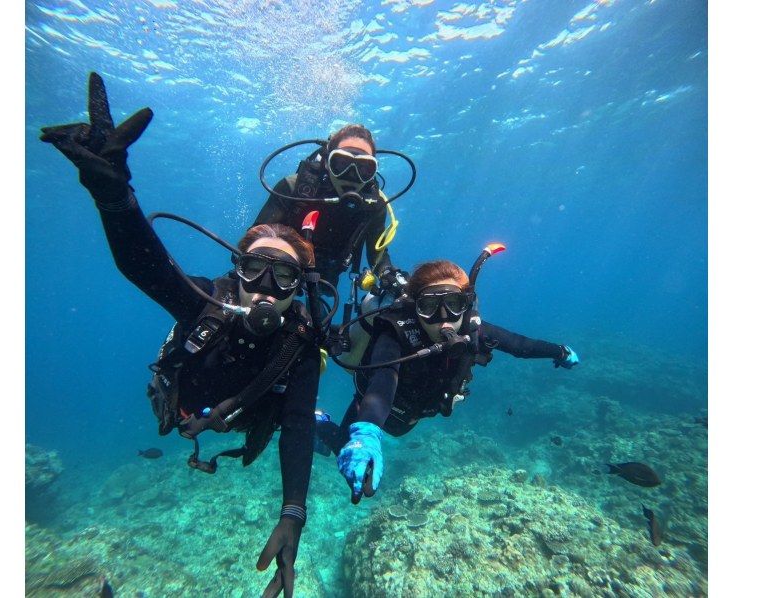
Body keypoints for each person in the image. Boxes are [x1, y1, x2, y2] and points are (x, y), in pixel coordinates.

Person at [40, 72, 319, 598]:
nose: (266, 287)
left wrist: (294, 514)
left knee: (314, 421)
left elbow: (298, 422)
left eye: (283, 277)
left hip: (243, 421)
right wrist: (114, 197)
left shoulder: (301, 340)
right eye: (255, 268)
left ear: (298, 288)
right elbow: (144, 267)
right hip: (184, 406)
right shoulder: (205, 300)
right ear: (236, 269)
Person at [316, 254, 580, 503]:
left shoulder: (473, 329)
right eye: (430, 306)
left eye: (453, 305)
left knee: (380, 442)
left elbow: (521, 346)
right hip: (371, 409)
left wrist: (559, 351)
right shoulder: (395, 331)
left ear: (466, 305)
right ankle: (319, 421)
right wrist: (367, 431)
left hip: (412, 416)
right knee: (345, 452)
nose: (444, 320)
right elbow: (384, 380)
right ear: (415, 308)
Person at [253, 124, 399, 291]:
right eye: (342, 163)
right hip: (280, 272)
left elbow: (377, 253)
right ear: (328, 162)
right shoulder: (293, 188)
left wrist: (389, 274)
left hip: (329, 276)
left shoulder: (374, 205)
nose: (352, 175)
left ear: (373, 172)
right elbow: (256, 238)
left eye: (364, 168)